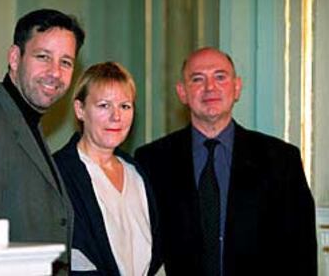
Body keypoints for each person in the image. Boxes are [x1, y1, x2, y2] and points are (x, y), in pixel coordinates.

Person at [134, 47, 317, 276]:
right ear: (182, 92)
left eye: (220, 77)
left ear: (237, 88)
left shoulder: (281, 159)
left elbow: (301, 251)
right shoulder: (152, 160)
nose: (210, 87)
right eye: (198, 79)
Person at [0, 9, 85, 273]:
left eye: (66, 62)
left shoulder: (25, 121)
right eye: (43, 57)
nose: (55, 72)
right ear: (14, 58)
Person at [53, 62, 162, 275]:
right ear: (80, 109)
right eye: (104, 105)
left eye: (125, 106)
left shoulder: (137, 173)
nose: (116, 117)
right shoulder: (58, 174)